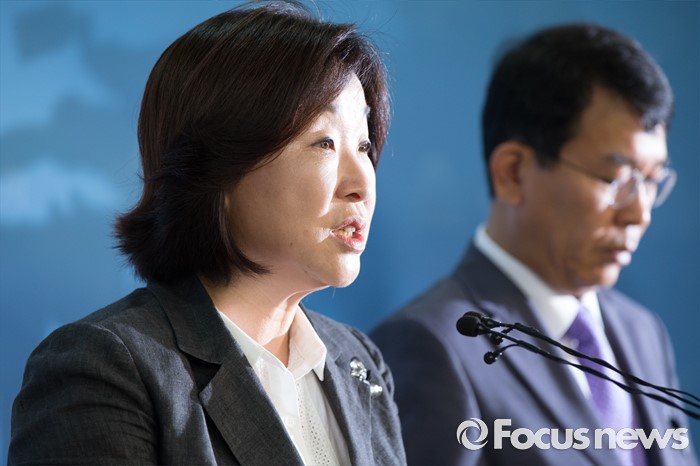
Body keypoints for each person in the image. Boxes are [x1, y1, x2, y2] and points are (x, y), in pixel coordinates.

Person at [8, 2, 406, 464]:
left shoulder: (359, 362)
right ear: (216, 170)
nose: (361, 184)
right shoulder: (104, 369)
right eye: (325, 143)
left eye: (364, 144)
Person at [371, 23, 698, 466]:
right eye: (615, 179)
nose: (640, 213)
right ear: (513, 172)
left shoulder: (644, 333)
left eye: (652, 180)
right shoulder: (431, 344)